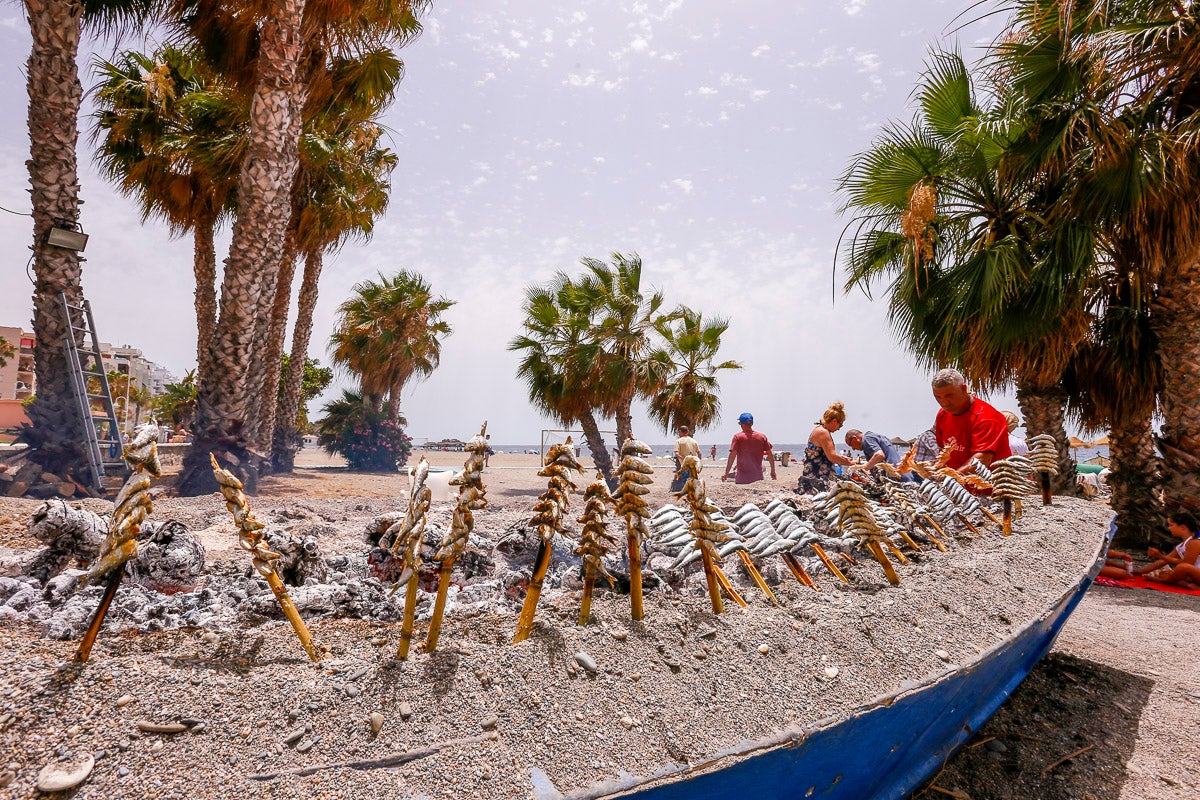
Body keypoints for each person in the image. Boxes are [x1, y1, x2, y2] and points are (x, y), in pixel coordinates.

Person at [930, 368, 1012, 470]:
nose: (944, 403)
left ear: (964, 389)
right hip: (957, 483)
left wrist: (952, 480)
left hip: (990, 484)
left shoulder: (986, 417)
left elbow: (982, 460)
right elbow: (943, 452)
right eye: (938, 397)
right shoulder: (942, 414)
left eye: (949, 396)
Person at [797, 402, 856, 493]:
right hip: (818, 478)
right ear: (834, 421)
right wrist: (851, 463)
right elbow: (832, 456)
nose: (839, 428)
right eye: (840, 425)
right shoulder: (823, 432)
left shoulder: (819, 430)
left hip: (813, 475)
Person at [1138, 510, 1200, 587]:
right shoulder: (1182, 545)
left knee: (1182, 567)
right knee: (1163, 573)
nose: (1169, 528)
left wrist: (1160, 556)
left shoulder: (1195, 542)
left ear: (1183, 527)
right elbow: (1163, 561)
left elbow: (1187, 564)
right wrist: (1141, 571)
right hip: (1194, 575)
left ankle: (1162, 581)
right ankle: (1185, 584)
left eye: (1171, 525)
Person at [721, 412, 775, 484]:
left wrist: (726, 473)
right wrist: (773, 471)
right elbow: (770, 454)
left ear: (741, 423)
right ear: (752, 423)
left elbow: (732, 456)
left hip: (742, 479)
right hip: (758, 478)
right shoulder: (762, 437)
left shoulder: (738, 437)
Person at [844, 429, 911, 480]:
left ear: (854, 438)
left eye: (851, 444)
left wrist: (865, 468)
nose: (853, 449)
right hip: (904, 474)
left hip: (896, 477)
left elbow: (879, 455)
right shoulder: (874, 436)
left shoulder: (867, 439)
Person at [672, 425, 701, 491]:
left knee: (684, 478)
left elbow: (676, 453)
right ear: (687, 432)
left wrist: (683, 459)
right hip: (693, 463)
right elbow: (699, 453)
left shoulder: (678, 441)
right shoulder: (694, 441)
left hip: (683, 464)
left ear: (680, 432)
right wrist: (698, 462)